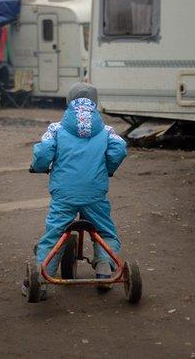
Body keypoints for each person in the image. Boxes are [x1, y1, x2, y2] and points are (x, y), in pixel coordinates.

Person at [25, 82, 128, 298]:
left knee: (54, 233)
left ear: (68, 101)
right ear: (95, 102)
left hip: (65, 194)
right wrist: (108, 167)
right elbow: (119, 149)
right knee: (104, 230)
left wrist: (40, 167)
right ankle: (104, 269)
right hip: (95, 192)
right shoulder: (106, 130)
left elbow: (44, 152)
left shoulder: (57, 129)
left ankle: (41, 279)